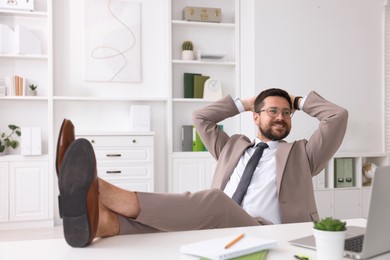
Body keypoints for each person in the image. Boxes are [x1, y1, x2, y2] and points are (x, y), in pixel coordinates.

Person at [56, 88, 348, 247]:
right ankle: (102, 224)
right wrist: (245, 102)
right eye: (272, 111)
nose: (281, 116)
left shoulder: (303, 154)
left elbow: (337, 116)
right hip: (217, 225)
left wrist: (298, 99)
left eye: (286, 112)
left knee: (214, 200)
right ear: (256, 118)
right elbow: (201, 118)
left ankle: (97, 189)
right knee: (169, 221)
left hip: (266, 231)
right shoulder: (232, 145)